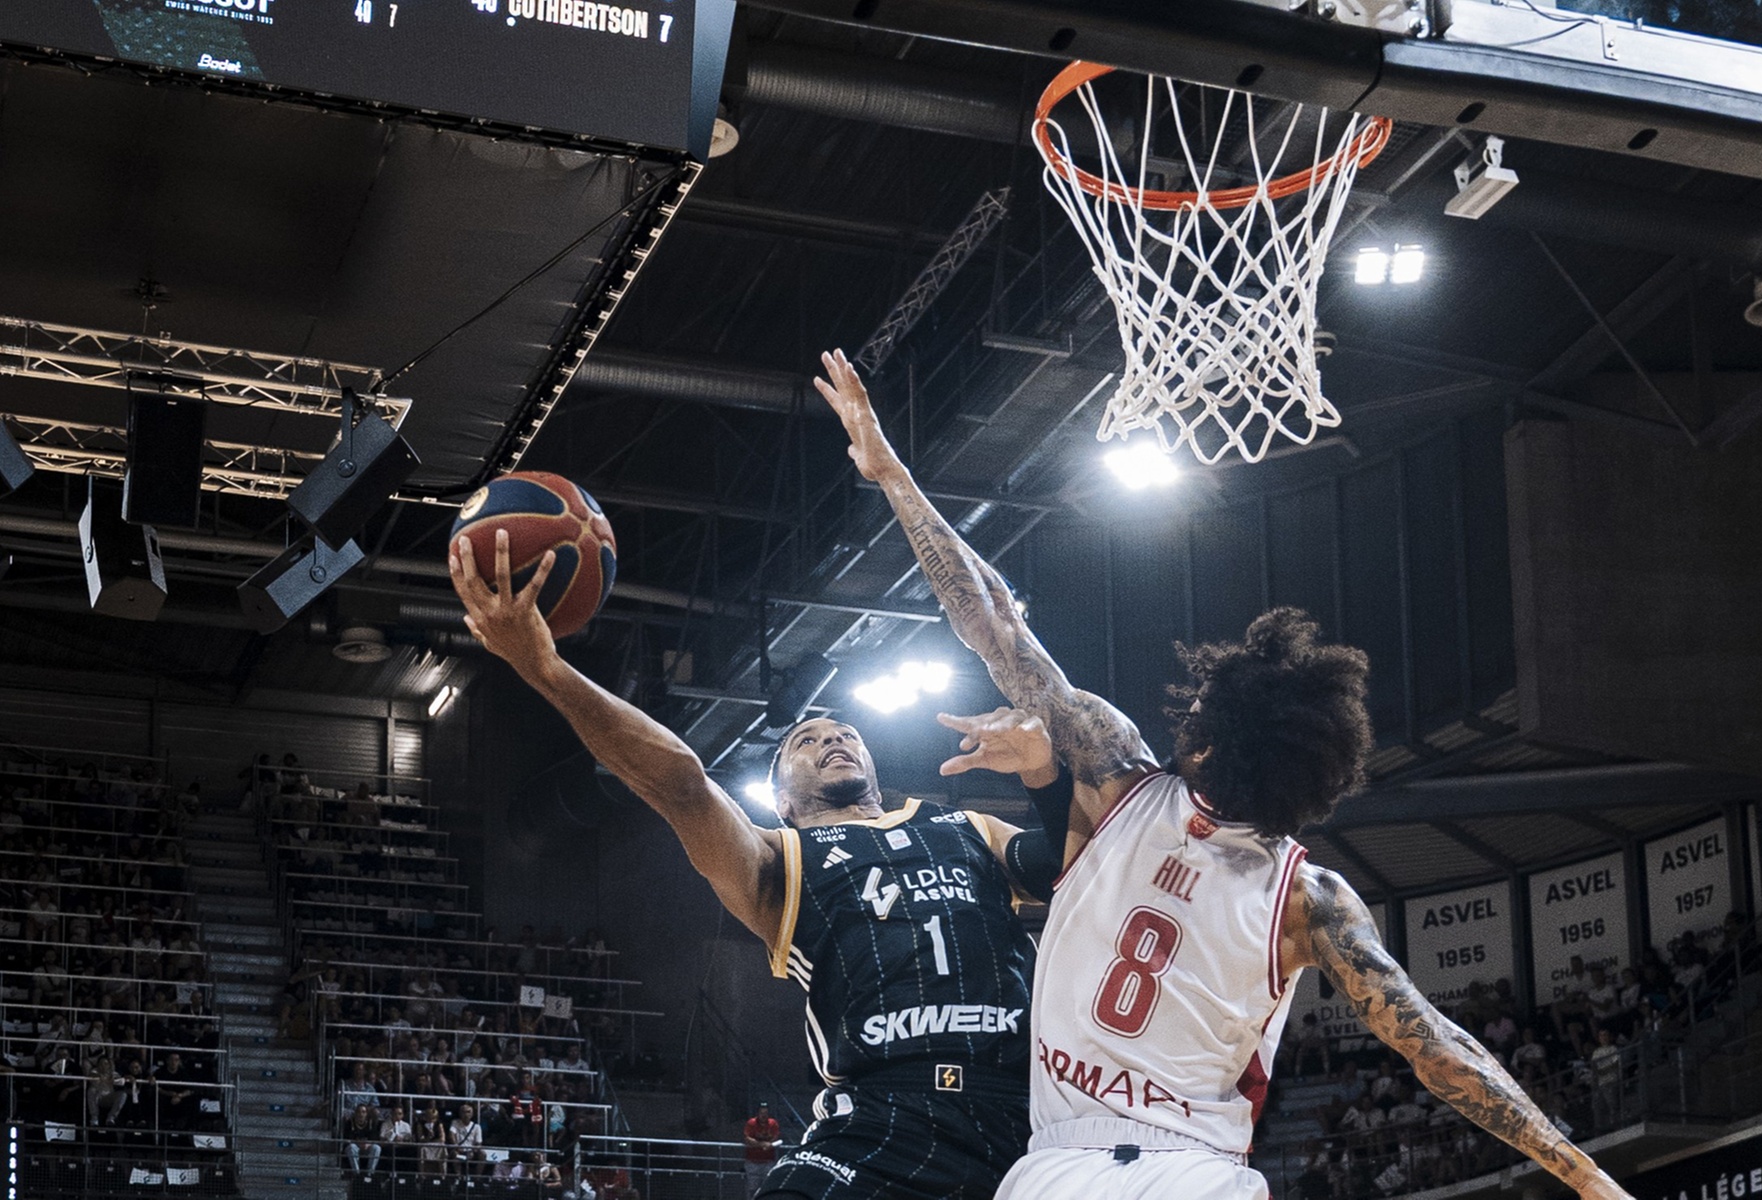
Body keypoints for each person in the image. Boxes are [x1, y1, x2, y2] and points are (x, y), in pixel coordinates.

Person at [817, 346, 1635, 1200]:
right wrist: (1586, 1180)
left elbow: (991, 621)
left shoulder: (1116, 772)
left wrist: (892, 476)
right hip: (1196, 1178)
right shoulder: (1308, 900)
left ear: (1206, 740)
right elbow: (1434, 1047)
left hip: (1055, 1171)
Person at [451, 528, 1069, 1200]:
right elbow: (681, 784)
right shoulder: (777, 859)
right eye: (807, 740)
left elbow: (1076, 861)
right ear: (779, 796)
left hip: (1026, 1109)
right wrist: (545, 668)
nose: (832, 738)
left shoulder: (965, 825)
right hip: (882, 1114)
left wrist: (1043, 772)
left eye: (845, 735)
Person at [743, 1102, 782, 1198]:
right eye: (761, 1113)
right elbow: (748, 1139)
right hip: (752, 1162)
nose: (763, 1115)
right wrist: (763, 1144)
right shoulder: (751, 1123)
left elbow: (775, 1137)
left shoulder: (773, 1123)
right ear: (758, 1113)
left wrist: (769, 1144)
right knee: (752, 1188)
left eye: (766, 1113)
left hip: (768, 1162)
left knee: (768, 1187)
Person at [346, 1101, 384, 1181]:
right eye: (359, 1112)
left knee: (377, 1148)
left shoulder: (370, 1123)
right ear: (356, 1113)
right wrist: (358, 1143)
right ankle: (357, 1174)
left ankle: (369, 1174)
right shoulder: (350, 1123)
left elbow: (375, 1137)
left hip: (367, 1147)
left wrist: (368, 1144)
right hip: (356, 1147)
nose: (361, 1114)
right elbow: (348, 1138)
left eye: (363, 1112)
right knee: (351, 1147)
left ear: (366, 1114)